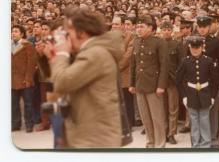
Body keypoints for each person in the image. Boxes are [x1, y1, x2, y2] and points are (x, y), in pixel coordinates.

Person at [44, 8, 126, 148]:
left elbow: (62, 82)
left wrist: (62, 54)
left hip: (95, 140)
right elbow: (55, 95)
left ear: (81, 33)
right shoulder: (87, 53)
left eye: (68, 32)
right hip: (87, 136)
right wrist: (56, 58)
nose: (66, 38)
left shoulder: (95, 54)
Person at [129, 14, 169, 148]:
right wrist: (131, 83)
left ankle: (160, 144)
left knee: (157, 118)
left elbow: (164, 66)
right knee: (145, 117)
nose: (138, 29)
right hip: (140, 85)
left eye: (142, 27)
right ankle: (150, 142)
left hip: (154, 85)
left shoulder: (159, 42)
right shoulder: (136, 41)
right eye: (137, 27)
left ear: (150, 28)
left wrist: (161, 85)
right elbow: (133, 65)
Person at [176, 35, 218, 148]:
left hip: (205, 94)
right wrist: (184, 96)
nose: (195, 50)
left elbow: (215, 81)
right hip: (191, 94)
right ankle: (195, 144)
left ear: (202, 47)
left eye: (197, 47)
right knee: (194, 121)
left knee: (204, 120)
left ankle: (206, 143)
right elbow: (178, 81)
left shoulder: (208, 61)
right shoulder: (185, 61)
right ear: (189, 47)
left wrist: (213, 97)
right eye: (193, 47)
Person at [195, 15, 219, 148]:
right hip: (196, 81)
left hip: (211, 81)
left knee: (212, 111)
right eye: (199, 27)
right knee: (198, 111)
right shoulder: (193, 41)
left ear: (209, 27)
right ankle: (201, 138)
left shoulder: (216, 42)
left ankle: (213, 139)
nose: (202, 30)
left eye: (204, 27)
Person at [160, 21, 184, 144]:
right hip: (160, 81)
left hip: (173, 81)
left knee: (173, 108)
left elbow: (181, 63)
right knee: (162, 108)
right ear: (161, 31)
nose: (166, 32)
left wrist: (178, 79)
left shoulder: (177, 44)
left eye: (168, 30)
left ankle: (172, 133)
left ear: (172, 31)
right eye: (164, 30)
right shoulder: (158, 44)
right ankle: (164, 131)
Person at [11, 25, 37, 133]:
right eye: (12, 31)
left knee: (28, 103)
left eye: (16, 31)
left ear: (22, 34)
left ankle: (29, 124)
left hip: (25, 79)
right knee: (14, 103)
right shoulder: (8, 45)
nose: (13, 33)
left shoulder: (28, 45)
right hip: (12, 79)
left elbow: (31, 64)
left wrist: (28, 78)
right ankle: (16, 124)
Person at [111, 16, 136, 131]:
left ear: (122, 25)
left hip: (124, 73)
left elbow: (128, 55)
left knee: (127, 100)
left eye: (117, 24)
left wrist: (116, 67)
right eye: (113, 24)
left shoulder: (130, 36)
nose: (114, 26)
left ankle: (129, 124)